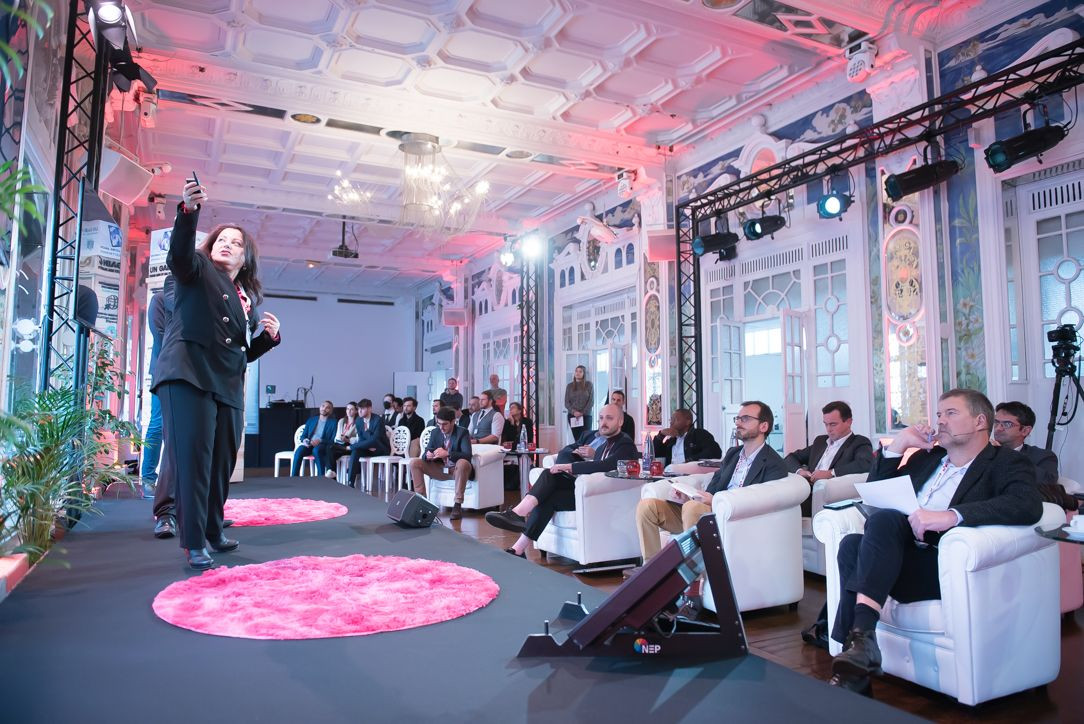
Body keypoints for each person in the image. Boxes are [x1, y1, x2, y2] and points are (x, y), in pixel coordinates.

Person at [827, 389, 1042, 694]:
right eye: (939, 414)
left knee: (881, 525)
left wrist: (952, 515)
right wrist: (898, 447)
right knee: (852, 542)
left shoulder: (1004, 462)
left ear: (980, 421)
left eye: (951, 413)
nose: (940, 421)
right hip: (896, 556)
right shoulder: (930, 458)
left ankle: (856, 651)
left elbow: (1026, 504)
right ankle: (859, 654)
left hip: (941, 564)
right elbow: (875, 490)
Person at [153, 178, 281, 570]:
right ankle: (194, 542)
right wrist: (189, 213)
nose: (226, 243)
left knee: (222, 461)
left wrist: (267, 341)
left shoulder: (247, 302)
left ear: (246, 258)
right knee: (193, 460)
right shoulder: (193, 271)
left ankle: (212, 528)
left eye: (236, 242)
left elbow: (238, 353)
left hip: (227, 384)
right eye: (221, 239)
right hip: (188, 376)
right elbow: (179, 255)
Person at [635, 401, 787, 563]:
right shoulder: (733, 454)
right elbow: (715, 484)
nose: (738, 423)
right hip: (706, 510)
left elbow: (762, 502)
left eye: (745, 419)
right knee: (647, 506)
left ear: (763, 426)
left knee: (692, 508)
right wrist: (691, 496)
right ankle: (651, 568)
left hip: (733, 518)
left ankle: (691, 574)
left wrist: (714, 501)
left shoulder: (774, 463)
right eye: (738, 418)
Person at [486, 404, 636, 557]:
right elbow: (570, 452)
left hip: (602, 497)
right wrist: (568, 465)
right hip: (587, 492)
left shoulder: (625, 443)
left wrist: (569, 466)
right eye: (601, 418)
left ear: (620, 422)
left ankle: (518, 513)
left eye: (609, 418)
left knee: (550, 476)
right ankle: (519, 548)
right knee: (548, 489)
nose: (603, 422)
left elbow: (605, 465)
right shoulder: (605, 442)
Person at [784, 401, 874, 515]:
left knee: (786, 505)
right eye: (825, 424)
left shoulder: (859, 442)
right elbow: (790, 458)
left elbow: (865, 464)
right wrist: (800, 471)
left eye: (833, 424)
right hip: (806, 488)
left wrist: (830, 473)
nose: (828, 429)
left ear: (848, 422)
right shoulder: (820, 441)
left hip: (828, 496)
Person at [993, 401, 1076, 510]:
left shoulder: (1043, 456)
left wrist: (1006, 455)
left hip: (1020, 511)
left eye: (1007, 424)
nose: (998, 428)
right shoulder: (983, 453)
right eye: (996, 422)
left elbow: (1046, 484)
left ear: (1025, 430)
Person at [409, 407, 473, 520]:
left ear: (453, 422)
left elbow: (467, 455)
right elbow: (425, 454)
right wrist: (428, 455)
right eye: (439, 424)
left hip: (456, 470)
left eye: (445, 424)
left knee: (463, 463)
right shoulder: (435, 432)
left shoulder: (462, 432)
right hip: (440, 469)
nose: (441, 427)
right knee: (414, 462)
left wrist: (448, 453)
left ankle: (457, 504)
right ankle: (422, 501)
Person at [652, 409, 721, 465]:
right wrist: (661, 435)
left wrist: (690, 462)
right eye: (671, 420)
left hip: (689, 476)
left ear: (688, 421)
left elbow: (715, 452)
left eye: (675, 419)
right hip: (669, 476)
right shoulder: (672, 440)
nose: (671, 423)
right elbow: (655, 454)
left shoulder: (699, 434)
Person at [347, 399, 389, 487]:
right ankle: (350, 482)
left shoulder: (378, 419)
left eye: (362, 408)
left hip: (380, 448)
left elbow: (375, 439)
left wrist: (353, 446)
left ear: (369, 409)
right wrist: (365, 446)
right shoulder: (358, 420)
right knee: (355, 452)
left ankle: (353, 471)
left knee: (354, 448)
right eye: (358, 409)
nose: (359, 411)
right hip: (368, 447)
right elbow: (361, 438)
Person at [292, 400, 337, 476]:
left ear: (331, 411)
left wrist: (320, 440)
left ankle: (321, 477)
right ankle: (294, 477)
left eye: (327, 408)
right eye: (323, 406)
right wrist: (305, 440)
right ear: (320, 407)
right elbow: (303, 436)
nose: (324, 408)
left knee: (316, 450)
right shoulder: (311, 420)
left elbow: (333, 440)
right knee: (299, 450)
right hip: (309, 444)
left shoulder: (333, 422)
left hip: (322, 445)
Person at [501, 402, 535, 491]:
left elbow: (527, 438)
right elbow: (506, 438)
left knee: (522, 457)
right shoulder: (507, 422)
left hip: (524, 449)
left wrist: (515, 443)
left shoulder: (527, 422)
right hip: (511, 449)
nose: (511, 410)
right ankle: (509, 484)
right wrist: (512, 424)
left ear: (519, 410)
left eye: (513, 408)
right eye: (510, 408)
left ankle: (521, 482)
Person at [328, 401, 360, 478]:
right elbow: (337, 437)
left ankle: (332, 473)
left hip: (350, 445)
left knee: (330, 449)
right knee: (329, 451)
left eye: (351, 409)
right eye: (347, 409)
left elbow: (359, 439)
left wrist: (348, 439)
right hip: (340, 445)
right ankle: (332, 473)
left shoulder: (359, 422)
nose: (349, 411)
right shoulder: (341, 421)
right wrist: (341, 439)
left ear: (356, 411)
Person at [564, 365, 593, 437]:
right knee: (577, 439)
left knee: (586, 439)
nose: (577, 373)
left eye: (580, 371)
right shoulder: (569, 386)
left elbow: (591, 402)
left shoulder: (589, 385)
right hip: (573, 416)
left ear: (584, 374)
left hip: (586, 416)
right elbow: (566, 402)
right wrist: (574, 412)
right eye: (576, 371)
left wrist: (582, 413)